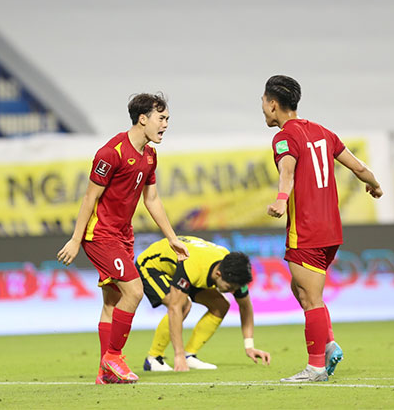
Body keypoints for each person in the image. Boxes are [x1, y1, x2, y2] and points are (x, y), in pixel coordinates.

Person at [57, 93, 189, 385]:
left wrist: (171, 238)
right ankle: (114, 357)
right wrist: (76, 239)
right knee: (134, 291)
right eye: (162, 118)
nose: (166, 124)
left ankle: (105, 373)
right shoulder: (111, 153)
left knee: (112, 302)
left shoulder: (150, 155)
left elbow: (151, 199)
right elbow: (89, 198)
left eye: (167, 119)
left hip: (123, 236)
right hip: (100, 235)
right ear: (143, 119)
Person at [262, 75, 383, 382]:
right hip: (331, 230)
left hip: (307, 229)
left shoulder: (284, 137)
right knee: (300, 289)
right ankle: (328, 343)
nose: (263, 109)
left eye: (263, 103)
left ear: (273, 105)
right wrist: (374, 184)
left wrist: (280, 200)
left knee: (311, 297)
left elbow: (286, 171)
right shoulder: (323, 132)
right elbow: (358, 167)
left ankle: (316, 366)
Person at [136, 235, 271, 371]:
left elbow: (245, 307)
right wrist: (178, 354)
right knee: (183, 306)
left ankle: (189, 356)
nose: (232, 292)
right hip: (152, 266)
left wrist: (249, 346)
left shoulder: (234, 273)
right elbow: (174, 308)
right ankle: (153, 358)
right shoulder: (193, 267)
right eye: (229, 288)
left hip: (187, 266)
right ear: (218, 274)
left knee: (221, 305)